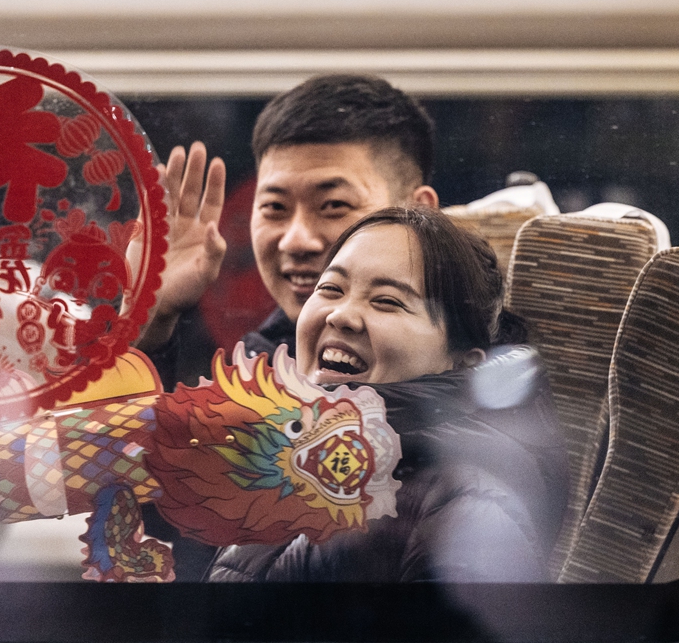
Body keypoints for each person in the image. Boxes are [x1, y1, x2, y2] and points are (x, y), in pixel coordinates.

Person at [208, 207, 568, 582]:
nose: (340, 316)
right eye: (330, 289)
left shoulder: (470, 508)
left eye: (386, 301)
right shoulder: (285, 455)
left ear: (463, 363)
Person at [137, 73, 440, 384]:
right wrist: (148, 317)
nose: (296, 241)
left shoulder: (483, 372)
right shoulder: (250, 383)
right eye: (275, 208)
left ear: (419, 213)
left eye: (334, 205)